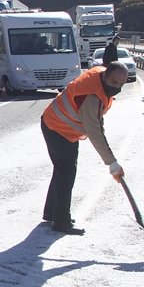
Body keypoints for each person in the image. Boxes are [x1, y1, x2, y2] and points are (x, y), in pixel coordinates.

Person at [40, 63, 129, 236]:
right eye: (114, 82)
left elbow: (96, 121)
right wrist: (112, 163)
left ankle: (52, 213)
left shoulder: (99, 78)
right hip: (57, 128)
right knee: (66, 173)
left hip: (58, 125)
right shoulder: (91, 96)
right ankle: (61, 221)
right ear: (105, 76)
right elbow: (95, 132)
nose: (116, 87)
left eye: (121, 84)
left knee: (62, 171)